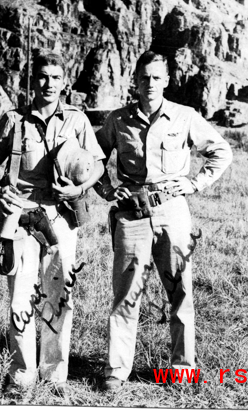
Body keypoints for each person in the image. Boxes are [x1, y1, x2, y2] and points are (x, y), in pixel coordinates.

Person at [94, 51, 233, 390]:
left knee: (180, 291)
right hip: (132, 215)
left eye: (157, 77)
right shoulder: (118, 120)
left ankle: (182, 368)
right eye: (144, 77)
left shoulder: (184, 117)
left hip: (172, 212)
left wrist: (193, 182)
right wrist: (107, 189)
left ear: (167, 80)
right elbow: (93, 157)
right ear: (135, 80)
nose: (150, 83)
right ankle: (117, 370)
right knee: (126, 295)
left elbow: (222, 152)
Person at [0, 52, 105, 396]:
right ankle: (22, 373)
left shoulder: (77, 121)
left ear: (64, 81)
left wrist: (80, 187)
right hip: (21, 217)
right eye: (42, 77)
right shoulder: (14, 120)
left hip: (61, 217)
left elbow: (98, 164)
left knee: (59, 297)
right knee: (21, 296)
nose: (49, 84)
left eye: (55, 77)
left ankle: (54, 376)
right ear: (31, 81)